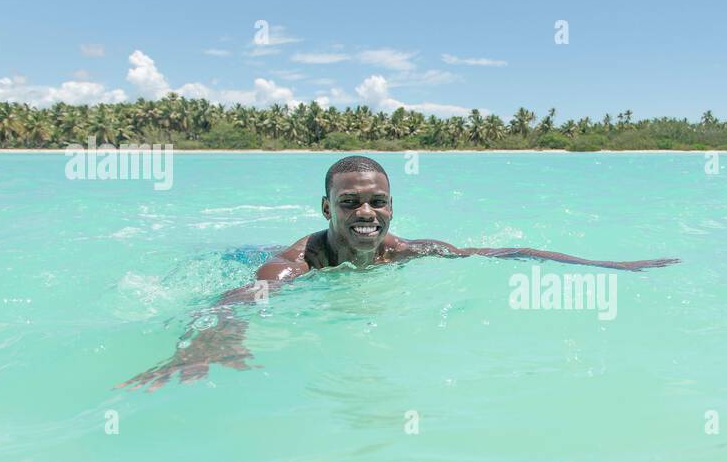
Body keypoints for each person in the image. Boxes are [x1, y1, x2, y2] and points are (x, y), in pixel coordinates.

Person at [120, 156, 680, 390]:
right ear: (326, 209)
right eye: (350, 203)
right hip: (248, 255)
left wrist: (608, 266)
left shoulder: (408, 250)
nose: (366, 214)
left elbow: (508, 254)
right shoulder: (300, 262)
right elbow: (241, 296)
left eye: (377, 202)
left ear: (391, 205)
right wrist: (204, 344)